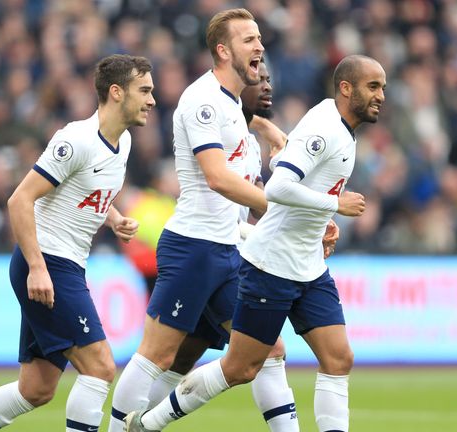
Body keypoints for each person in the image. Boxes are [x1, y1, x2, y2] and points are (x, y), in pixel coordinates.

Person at [125, 54, 385, 432]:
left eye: (382, 87)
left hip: (307, 265)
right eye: (373, 87)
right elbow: (279, 186)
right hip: (269, 267)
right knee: (238, 366)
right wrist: (335, 206)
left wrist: (322, 220)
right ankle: (148, 423)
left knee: (339, 357)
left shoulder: (341, 128)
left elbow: (289, 184)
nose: (380, 95)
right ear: (346, 88)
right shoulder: (325, 128)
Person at [108, 8, 299, 432]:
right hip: (193, 249)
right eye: (249, 40)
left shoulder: (233, 108)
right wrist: (287, 211)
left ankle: (148, 424)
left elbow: (242, 163)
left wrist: (265, 129)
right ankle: (123, 428)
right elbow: (216, 178)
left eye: (259, 38)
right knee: (156, 356)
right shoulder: (202, 100)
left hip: (229, 250)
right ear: (223, 50)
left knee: (266, 352)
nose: (260, 46)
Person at [0, 54, 155, 432]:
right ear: (117, 92)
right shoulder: (76, 139)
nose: (152, 100)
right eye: (145, 90)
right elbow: (19, 200)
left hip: (62, 264)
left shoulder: (121, 144)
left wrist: (114, 217)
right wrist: (38, 268)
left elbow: (84, 189)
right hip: (48, 263)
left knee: (36, 388)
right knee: (101, 366)